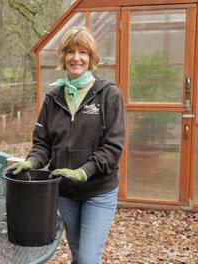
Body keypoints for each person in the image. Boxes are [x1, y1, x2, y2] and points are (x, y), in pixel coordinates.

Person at [7, 26, 125, 264]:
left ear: (91, 57)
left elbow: (114, 146)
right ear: (63, 57)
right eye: (70, 51)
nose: (76, 57)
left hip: (98, 190)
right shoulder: (54, 98)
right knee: (79, 254)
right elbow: (43, 144)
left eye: (83, 51)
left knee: (89, 259)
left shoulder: (107, 94)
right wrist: (32, 161)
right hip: (65, 192)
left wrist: (84, 171)